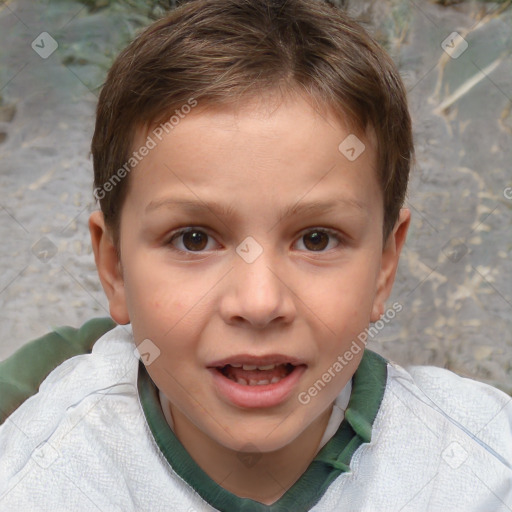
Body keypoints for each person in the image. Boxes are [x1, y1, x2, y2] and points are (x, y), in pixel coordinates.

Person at [0, 0, 511, 510]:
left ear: (383, 267)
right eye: (194, 239)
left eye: (316, 239)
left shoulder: (484, 470)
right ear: (114, 270)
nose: (260, 301)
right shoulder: (39, 481)